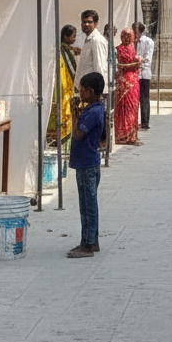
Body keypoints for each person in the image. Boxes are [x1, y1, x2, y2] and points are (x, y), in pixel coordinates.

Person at [67, 71, 106, 258]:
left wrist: (74, 113)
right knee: (85, 204)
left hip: (87, 163)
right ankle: (89, 241)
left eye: (82, 90)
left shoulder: (93, 112)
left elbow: (77, 134)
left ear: (91, 91)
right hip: (86, 162)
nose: (80, 93)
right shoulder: (94, 109)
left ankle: (89, 244)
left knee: (88, 205)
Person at [49, 25, 78, 145]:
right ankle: (62, 136)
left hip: (64, 84)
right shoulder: (63, 50)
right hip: (65, 84)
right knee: (64, 109)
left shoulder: (64, 48)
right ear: (65, 36)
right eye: (73, 36)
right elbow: (71, 68)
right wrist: (76, 81)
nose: (74, 39)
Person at [113, 29, 141, 145]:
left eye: (128, 36)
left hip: (133, 82)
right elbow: (118, 65)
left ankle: (131, 135)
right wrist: (134, 64)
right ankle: (122, 136)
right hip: (123, 82)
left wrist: (137, 62)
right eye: (123, 36)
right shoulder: (118, 49)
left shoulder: (134, 47)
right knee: (122, 108)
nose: (126, 38)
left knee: (132, 108)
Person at [74, 10, 108, 88]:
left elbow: (99, 68)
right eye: (84, 22)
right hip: (86, 88)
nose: (86, 24)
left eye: (89, 22)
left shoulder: (96, 40)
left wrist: (98, 90)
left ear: (96, 23)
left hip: (92, 90)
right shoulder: (89, 39)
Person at [134, 21, 154, 130]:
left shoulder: (148, 42)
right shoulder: (132, 41)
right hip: (134, 73)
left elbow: (147, 59)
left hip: (144, 73)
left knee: (144, 98)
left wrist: (138, 64)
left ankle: (145, 121)